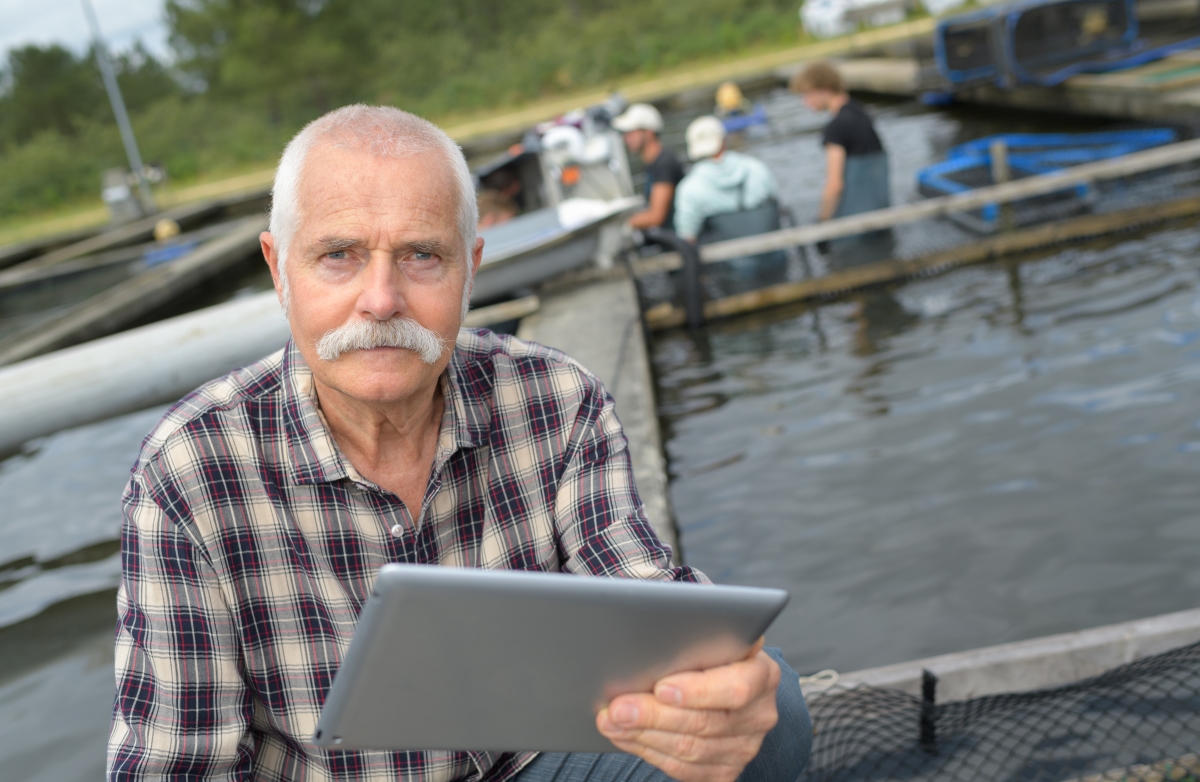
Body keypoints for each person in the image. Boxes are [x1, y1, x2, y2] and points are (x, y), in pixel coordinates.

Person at [108, 104, 811, 782]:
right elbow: (174, 767)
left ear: (470, 268)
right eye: (339, 255)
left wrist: (718, 682)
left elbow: (645, 601)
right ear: (278, 267)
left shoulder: (558, 399)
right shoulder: (189, 470)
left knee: (769, 714)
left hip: (534, 763)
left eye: (421, 256)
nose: (381, 299)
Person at [790, 61, 893, 268]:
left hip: (853, 230)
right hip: (880, 216)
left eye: (808, 94)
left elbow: (835, 184)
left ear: (825, 90)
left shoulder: (835, 128)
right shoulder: (861, 111)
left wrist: (823, 224)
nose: (805, 102)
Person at [672, 115, 779, 244]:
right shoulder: (756, 167)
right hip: (771, 254)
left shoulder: (688, 187)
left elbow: (687, 236)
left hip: (723, 262)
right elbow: (776, 204)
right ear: (724, 140)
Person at [612, 103, 685, 232]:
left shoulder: (664, 163)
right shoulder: (655, 162)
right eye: (624, 133)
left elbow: (656, 217)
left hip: (675, 236)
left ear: (649, 132)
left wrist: (624, 224)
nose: (626, 138)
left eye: (631, 132)